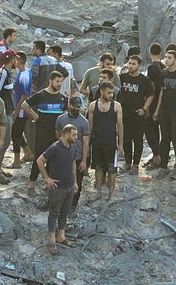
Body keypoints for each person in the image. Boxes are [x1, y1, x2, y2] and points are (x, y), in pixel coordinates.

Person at [38, 123, 82, 254]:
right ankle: (51, 239)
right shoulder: (55, 148)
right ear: (66, 134)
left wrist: (75, 182)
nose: (76, 137)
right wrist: (47, 178)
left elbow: (73, 163)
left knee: (65, 212)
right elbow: (40, 161)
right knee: (54, 214)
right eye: (74, 135)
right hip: (57, 188)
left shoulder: (73, 146)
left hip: (69, 186)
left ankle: (61, 236)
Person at [87, 83, 124, 198]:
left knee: (112, 169)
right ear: (102, 91)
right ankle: (98, 192)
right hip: (97, 142)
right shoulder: (93, 106)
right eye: (109, 92)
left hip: (111, 143)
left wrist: (121, 144)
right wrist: (87, 145)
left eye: (112, 92)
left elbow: (120, 126)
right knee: (98, 167)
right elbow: (90, 127)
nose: (111, 95)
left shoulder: (116, 106)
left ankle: (111, 194)